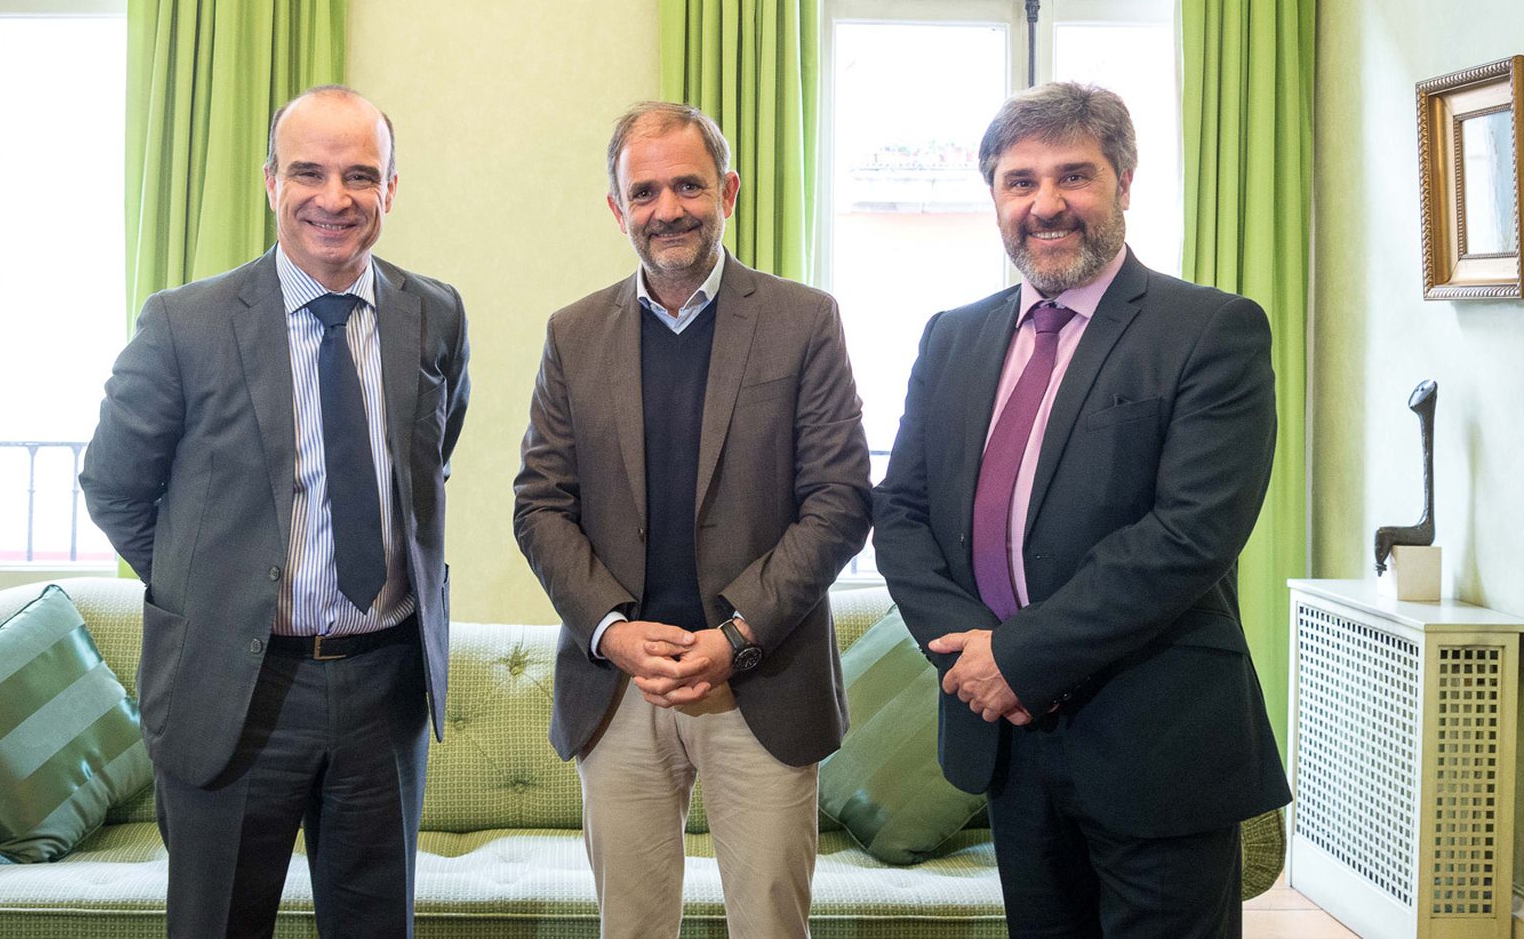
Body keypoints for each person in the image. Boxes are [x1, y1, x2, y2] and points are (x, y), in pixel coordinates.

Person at [873, 81, 1290, 937]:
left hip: (1154, 736)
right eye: (1019, 182)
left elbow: (1190, 534)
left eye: (1074, 175)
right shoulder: (953, 336)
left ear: (1124, 183)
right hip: (1010, 747)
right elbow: (904, 514)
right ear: (994, 198)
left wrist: (1019, 659)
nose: (1046, 204)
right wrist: (974, 658)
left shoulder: (1210, 330)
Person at [81, 85, 470, 938]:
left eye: (360, 175)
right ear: (270, 181)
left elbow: (425, 467)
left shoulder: (434, 314)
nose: (334, 199)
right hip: (235, 687)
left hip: (384, 685)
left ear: (391, 190)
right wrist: (217, 585)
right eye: (309, 172)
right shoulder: (186, 324)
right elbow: (113, 483)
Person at [513, 101, 871, 939]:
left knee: (771, 929)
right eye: (644, 193)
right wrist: (611, 629)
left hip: (762, 677)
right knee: (632, 930)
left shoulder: (803, 321)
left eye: (687, 186)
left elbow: (840, 498)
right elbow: (540, 504)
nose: (667, 209)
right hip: (621, 685)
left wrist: (737, 635)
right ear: (616, 209)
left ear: (729, 191)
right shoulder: (573, 334)